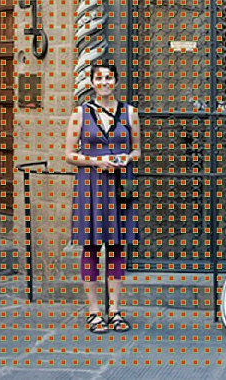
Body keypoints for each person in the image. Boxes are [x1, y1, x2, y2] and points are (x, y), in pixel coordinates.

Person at [65, 59, 141, 333]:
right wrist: (96, 161)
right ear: (92, 83)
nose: (104, 82)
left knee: (118, 247)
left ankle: (115, 310)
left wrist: (125, 158)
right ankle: (94, 311)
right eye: (99, 78)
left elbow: (137, 150)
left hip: (120, 185)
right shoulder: (80, 114)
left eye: (109, 77)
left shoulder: (130, 113)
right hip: (91, 185)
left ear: (116, 81)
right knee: (91, 247)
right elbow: (69, 155)